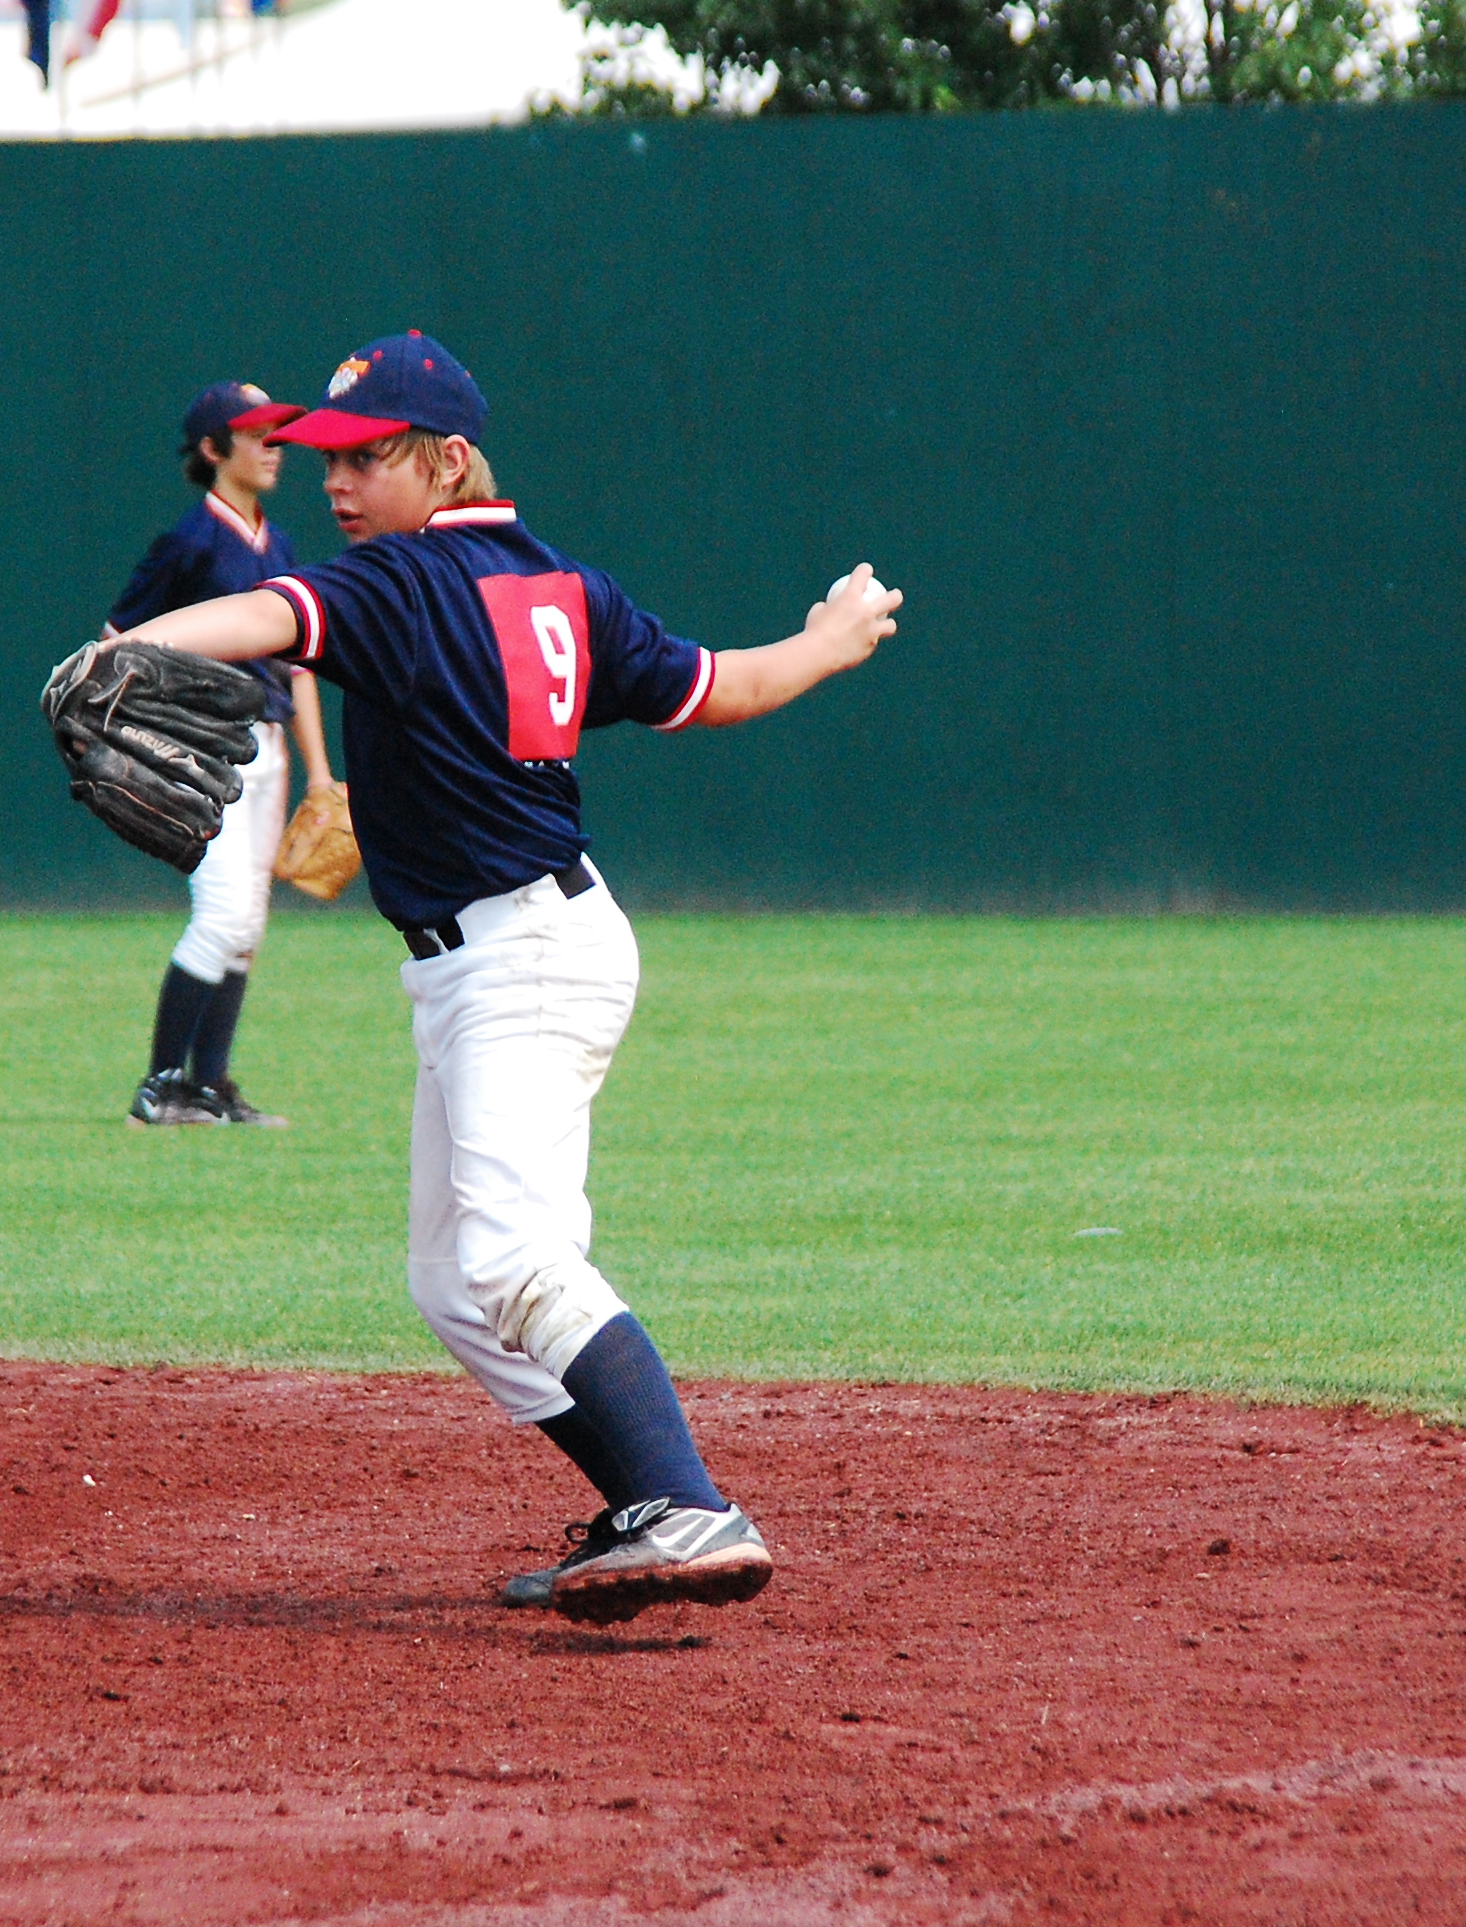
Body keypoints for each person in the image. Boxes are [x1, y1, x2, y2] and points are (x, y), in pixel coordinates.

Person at [117, 332, 901, 1622]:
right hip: (515, 951)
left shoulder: (404, 579)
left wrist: (124, 651)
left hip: (517, 958)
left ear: (447, 460)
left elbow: (270, 616)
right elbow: (720, 684)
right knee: (451, 1279)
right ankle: (649, 1504)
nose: (337, 481)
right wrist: (824, 639)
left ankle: (688, 1500)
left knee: (512, 1254)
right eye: (325, 458)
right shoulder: (561, 586)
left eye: (366, 457)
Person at [106, 381, 345, 1129]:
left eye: (279, 434)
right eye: (257, 434)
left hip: (268, 749)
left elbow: (298, 668)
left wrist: (321, 772)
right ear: (214, 450)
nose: (275, 448)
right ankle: (158, 1087)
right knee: (222, 915)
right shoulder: (190, 542)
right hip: (206, 754)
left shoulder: (279, 545)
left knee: (248, 926)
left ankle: (208, 1086)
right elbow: (115, 645)